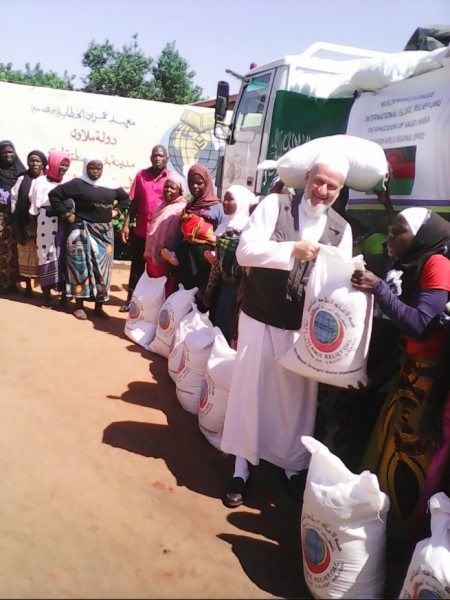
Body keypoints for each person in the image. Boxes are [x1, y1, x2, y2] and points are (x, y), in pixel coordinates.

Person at [220, 153, 353, 508]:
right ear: (307, 177)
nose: (322, 191)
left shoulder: (341, 229)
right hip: (260, 316)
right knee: (251, 391)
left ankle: (292, 466)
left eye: (332, 187)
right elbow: (245, 253)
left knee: (296, 402)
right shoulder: (274, 206)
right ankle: (241, 465)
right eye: (318, 181)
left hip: (302, 328)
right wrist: (289, 250)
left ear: (339, 192)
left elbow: (338, 286)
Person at [350, 207, 450, 549]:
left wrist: (379, 289)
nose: (391, 236)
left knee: (408, 458)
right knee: (385, 448)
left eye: (399, 231)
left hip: (428, 382)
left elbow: (421, 325)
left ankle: (397, 539)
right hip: (410, 373)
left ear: (421, 237)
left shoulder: (437, 264)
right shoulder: (413, 262)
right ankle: (379, 528)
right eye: (390, 230)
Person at [49, 153, 130, 320]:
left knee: (102, 270)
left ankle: (98, 306)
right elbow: (54, 195)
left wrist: (116, 211)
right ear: (86, 167)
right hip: (80, 231)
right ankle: (79, 306)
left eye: (98, 167)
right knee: (80, 269)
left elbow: (125, 199)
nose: (95, 171)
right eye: (92, 167)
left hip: (104, 234)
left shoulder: (111, 185)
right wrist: (65, 215)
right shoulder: (78, 184)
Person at [161, 163, 226, 312]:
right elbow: (179, 233)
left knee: (201, 299)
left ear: (207, 183)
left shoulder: (218, 208)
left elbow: (222, 236)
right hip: (186, 261)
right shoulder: (189, 207)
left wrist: (215, 254)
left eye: (199, 183)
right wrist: (171, 252)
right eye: (191, 183)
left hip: (205, 263)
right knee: (183, 296)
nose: (195, 186)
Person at [202, 184, 256, 346]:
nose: (224, 202)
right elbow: (218, 262)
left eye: (230, 199)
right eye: (224, 199)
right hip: (223, 285)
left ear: (241, 202)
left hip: (239, 288)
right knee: (219, 324)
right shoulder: (225, 226)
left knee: (232, 328)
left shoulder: (248, 228)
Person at [119, 145, 169, 312]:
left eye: (161, 156)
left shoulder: (171, 179)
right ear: (150, 158)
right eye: (154, 155)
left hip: (160, 233)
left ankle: (153, 305)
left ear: (167, 159)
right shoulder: (141, 175)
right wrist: (126, 225)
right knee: (137, 268)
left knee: (157, 269)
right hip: (141, 231)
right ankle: (130, 301)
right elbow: (135, 203)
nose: (157, 158)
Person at [29, 151, 72, 308]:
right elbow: (34, 205)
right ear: (53, 163)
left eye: (66, 165)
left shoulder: (68, 181)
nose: (63, 168)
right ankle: (46, 296)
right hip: (45, 221)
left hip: (64, 222)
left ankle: (63, 297)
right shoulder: (39, 181)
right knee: (46, 257)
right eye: (61, 164)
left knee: (64, 257)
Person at [143, 171, 187, 298]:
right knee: (152, 290)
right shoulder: (161, 206)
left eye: (172, 187)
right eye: (166, 186)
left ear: (180, 191)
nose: (168, 190)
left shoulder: (181, 209)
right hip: (152, 256)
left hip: (165, 259)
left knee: (162, 291)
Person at [11, 150, 48, 297]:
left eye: (38, 161)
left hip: (45, 225)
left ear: (43, 163)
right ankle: (28, 287)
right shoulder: (22, 180)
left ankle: (46, 290)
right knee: (26, 255)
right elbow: (14, 200)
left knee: (43, 257)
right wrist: (18, 225)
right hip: (26, 223)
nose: (34, 163)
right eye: (31, 160)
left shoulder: (48, 180)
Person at [0, 140, 26, 294]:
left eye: (11, 152)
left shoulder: (21, 172)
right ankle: (3, 282)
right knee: (2, 250)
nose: (8, 155)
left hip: (16, 217)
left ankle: (13, 282)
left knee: (15, 250)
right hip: (2, 216)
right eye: (4, 153)